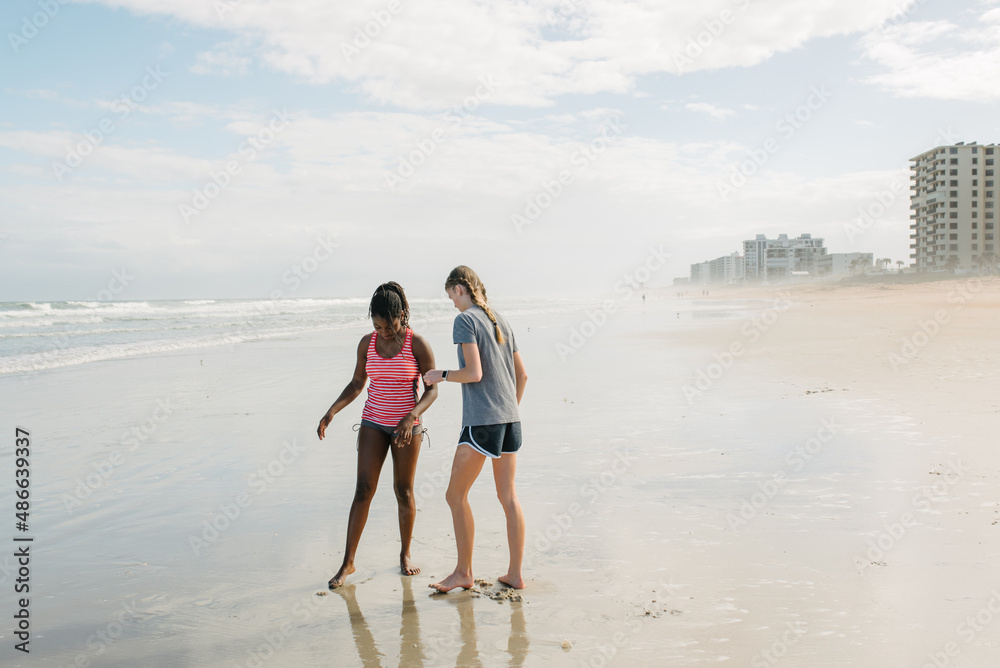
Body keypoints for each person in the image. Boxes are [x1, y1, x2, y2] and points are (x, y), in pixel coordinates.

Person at [317, 282, 438, 588]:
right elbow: (358, 383)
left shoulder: (417, 344)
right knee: (363, 489)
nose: (384, 332)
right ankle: (348, 562)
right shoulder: (366, 344)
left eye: (390, 326)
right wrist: (332, 411)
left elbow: (432, 390)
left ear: (402, 315)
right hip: (373, 422)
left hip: (407, 427)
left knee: (403, 491)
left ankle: (405, 555)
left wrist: (411, 416)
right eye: (377, 326)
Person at [423, 266, 529, 592]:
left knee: (455, 495)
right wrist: (507, 411)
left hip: (483, 421)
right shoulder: (501, 320)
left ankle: (463, 573)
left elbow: (473, 373)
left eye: (451, 297)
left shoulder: (465, 320)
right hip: (511, 421)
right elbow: (522, 376)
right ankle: (515, 575)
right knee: (508, 497)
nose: (453, 304)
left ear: (459, 288)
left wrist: (440, 375)